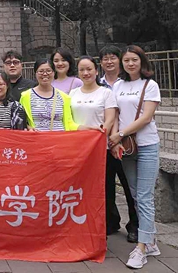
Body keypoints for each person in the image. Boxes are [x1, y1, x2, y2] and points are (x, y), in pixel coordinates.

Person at [109, 45, 162, 269]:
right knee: (135, 195)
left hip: (147, 144)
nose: (130, 64)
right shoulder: (118, 85)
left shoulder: (150, 85)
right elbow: (115, 114)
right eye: (127, 60)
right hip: (126, 148)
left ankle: (141, 247)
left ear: (142, 61)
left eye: (134, 60)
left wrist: (120, 134)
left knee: (144, 196)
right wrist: (115, 140)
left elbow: (146, 117)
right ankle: (150, 240)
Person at [70, 57, 127, 238]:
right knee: (82, 187)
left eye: (89, 69)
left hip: (100, 148)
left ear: (96, 71)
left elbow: (110, 119)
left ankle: (106, 224)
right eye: (82, 70)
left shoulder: (105, 93)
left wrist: (100, 135)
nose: (85, 73)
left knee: (104, 187)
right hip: (78, 149)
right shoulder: (72, 93)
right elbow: (69, 120)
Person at [98, 45, 139, 242]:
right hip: (102, 144)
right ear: (100, 63)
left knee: (130, 185)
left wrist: (118, 137)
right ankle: (111, 221)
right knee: (106, 186)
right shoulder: (97, 84)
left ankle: (135, 225)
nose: (109, 62)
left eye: (113, 58)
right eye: (105, 58)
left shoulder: (129, 84)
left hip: (126, 142)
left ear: (119, 60)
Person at [20, 59, 98, 132]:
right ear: (35, 73)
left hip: (60, 139)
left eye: (48, 71)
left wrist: (89, 128)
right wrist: (28, 127)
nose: (45, 74)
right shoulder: (26, 96)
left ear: (54, 73)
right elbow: (21, 121)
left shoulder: (64, 97)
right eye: (41, 71)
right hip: (37, 140)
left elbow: (69, 123)